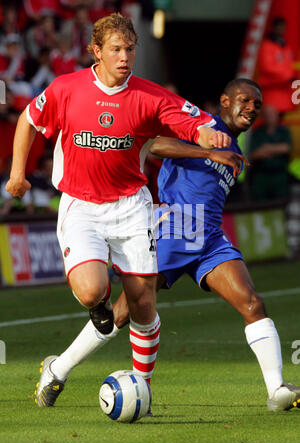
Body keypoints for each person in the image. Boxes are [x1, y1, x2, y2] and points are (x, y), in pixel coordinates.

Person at [5, 13, 244, 408]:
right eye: (116, 49)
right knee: (93, 291)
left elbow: (190, 120)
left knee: (143, 304)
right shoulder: (67, 88)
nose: (124, 57)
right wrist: (17, 174)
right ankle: (91, 319)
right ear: (96, 51)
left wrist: (205, 132)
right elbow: (28, 121)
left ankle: (142, 390)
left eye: (130, 49)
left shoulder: (149, 95)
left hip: (132, 208)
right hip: (81, 207)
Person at [41, 77, 300, 413]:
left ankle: (276, 389)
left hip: (210, 236)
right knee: (121, 313)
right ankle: (57, 370)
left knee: (252, 303)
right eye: (244, 100)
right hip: (175, 226)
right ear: (223, 100)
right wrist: (207, 151)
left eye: (256, 105)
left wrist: (219, 155)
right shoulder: (200, 126)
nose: (250, 109)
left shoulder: (236, 149)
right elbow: (155, 143)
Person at [249, 104, 292, 202]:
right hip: (261, 175)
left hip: (279, 175)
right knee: (260, 203)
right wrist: (276, 149)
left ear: (277, 116)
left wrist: (266, 148)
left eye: (272, 114)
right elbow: (253, 154)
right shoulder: (257, 132)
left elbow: (286, 148)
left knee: (281, 203)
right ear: (263, 117)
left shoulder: (283, 131)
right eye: (267, 115)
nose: (270, 117)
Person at [257, 17, 296, 115]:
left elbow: (289, 66)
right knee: (271, 120)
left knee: (281, 122)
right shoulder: (267, 46)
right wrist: (287, 76)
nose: (281, 29)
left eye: (283, 27)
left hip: (285, 92)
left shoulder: (285, 46)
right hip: (271, 91)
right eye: (279, 27)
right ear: (273, 28)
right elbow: (267, 67)